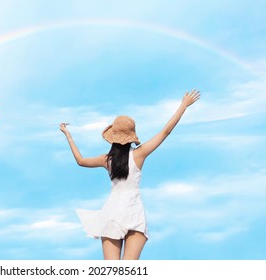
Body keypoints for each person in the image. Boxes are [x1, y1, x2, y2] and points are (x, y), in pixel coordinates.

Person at [59, 89, 201, 260]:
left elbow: (80, 161)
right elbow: (165, 132)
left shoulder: (107, 160)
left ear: (112, 137)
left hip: (112, 213)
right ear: (131, 136)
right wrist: (183, 105)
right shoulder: (138, 155)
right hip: (133, 212)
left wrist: (68, 135)